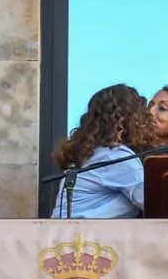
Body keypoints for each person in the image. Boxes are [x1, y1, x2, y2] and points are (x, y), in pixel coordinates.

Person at [49, 84, 154, 219]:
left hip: (65, 230)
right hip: (82, 231)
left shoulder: (93, 153)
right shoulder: (115, 156)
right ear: (126, 121)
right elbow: (152, 202)